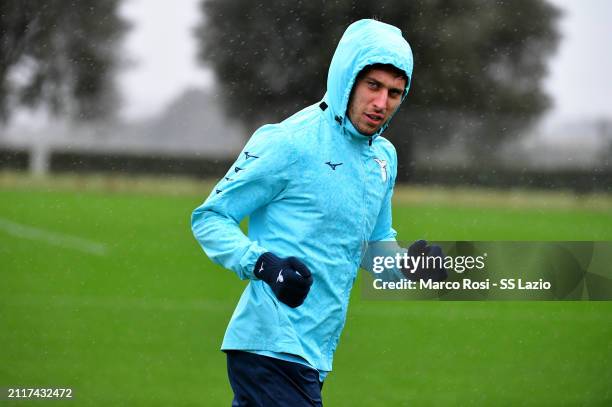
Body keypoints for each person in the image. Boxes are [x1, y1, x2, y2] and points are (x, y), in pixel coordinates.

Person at [192, 18, 444, 406]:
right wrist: (263, 264)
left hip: (313, 356)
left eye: (395, 92)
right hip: (269, 349)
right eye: (373, 85)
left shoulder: (383, 158)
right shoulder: (289, 142)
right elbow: (210, 217)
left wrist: (408, 266)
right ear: (347, 78)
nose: (382, 103)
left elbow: (371, 245)